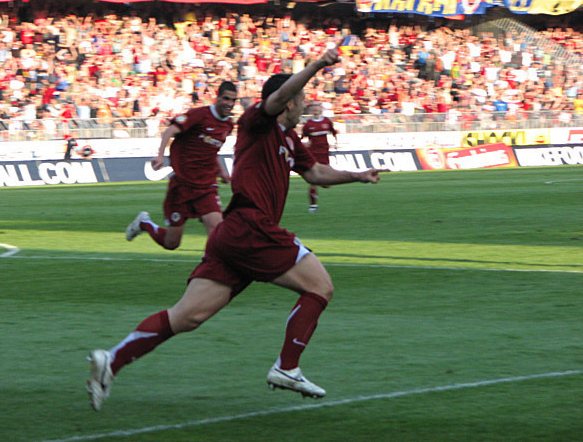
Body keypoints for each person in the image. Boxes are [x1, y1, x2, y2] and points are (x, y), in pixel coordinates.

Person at [87, 43, 387, 411]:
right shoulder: (257, 123)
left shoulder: (290, 139)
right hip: (251, 226)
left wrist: (357, 175)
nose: (303, 106)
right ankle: (287, 367)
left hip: (233, 235)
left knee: (187, 316)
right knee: (320, 286)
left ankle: (110, 361)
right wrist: (317, 65)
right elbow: (278, 96)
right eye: (301, 100)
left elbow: (316, 173)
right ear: (290, 103)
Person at [124, 81, 237, 250]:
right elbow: (170, 131)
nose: (229, 103)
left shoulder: (228, 125)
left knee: (217, 232)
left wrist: (223, 172)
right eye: (226, 98)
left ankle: (213, 264)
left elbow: (212, 151)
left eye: (233, 100)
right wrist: (160, 155)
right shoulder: (199, 115)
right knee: (171, 243)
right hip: (182, 186)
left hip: (206, 186)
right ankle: (144, 223)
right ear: (217, 97)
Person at [301, 101, 338, 213]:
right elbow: (302, 139)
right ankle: (313, 206)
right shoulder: (308, 125)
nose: (315, 109)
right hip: (313, 154)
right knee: (313, 181)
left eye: (317, 107)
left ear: (321, 109)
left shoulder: (327, 121)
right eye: (313, 107)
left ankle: (322, 182)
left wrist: (336, 143)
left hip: (324, 154)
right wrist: (304, 144)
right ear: (310, 110)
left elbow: (334, 132)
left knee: (327, 184)